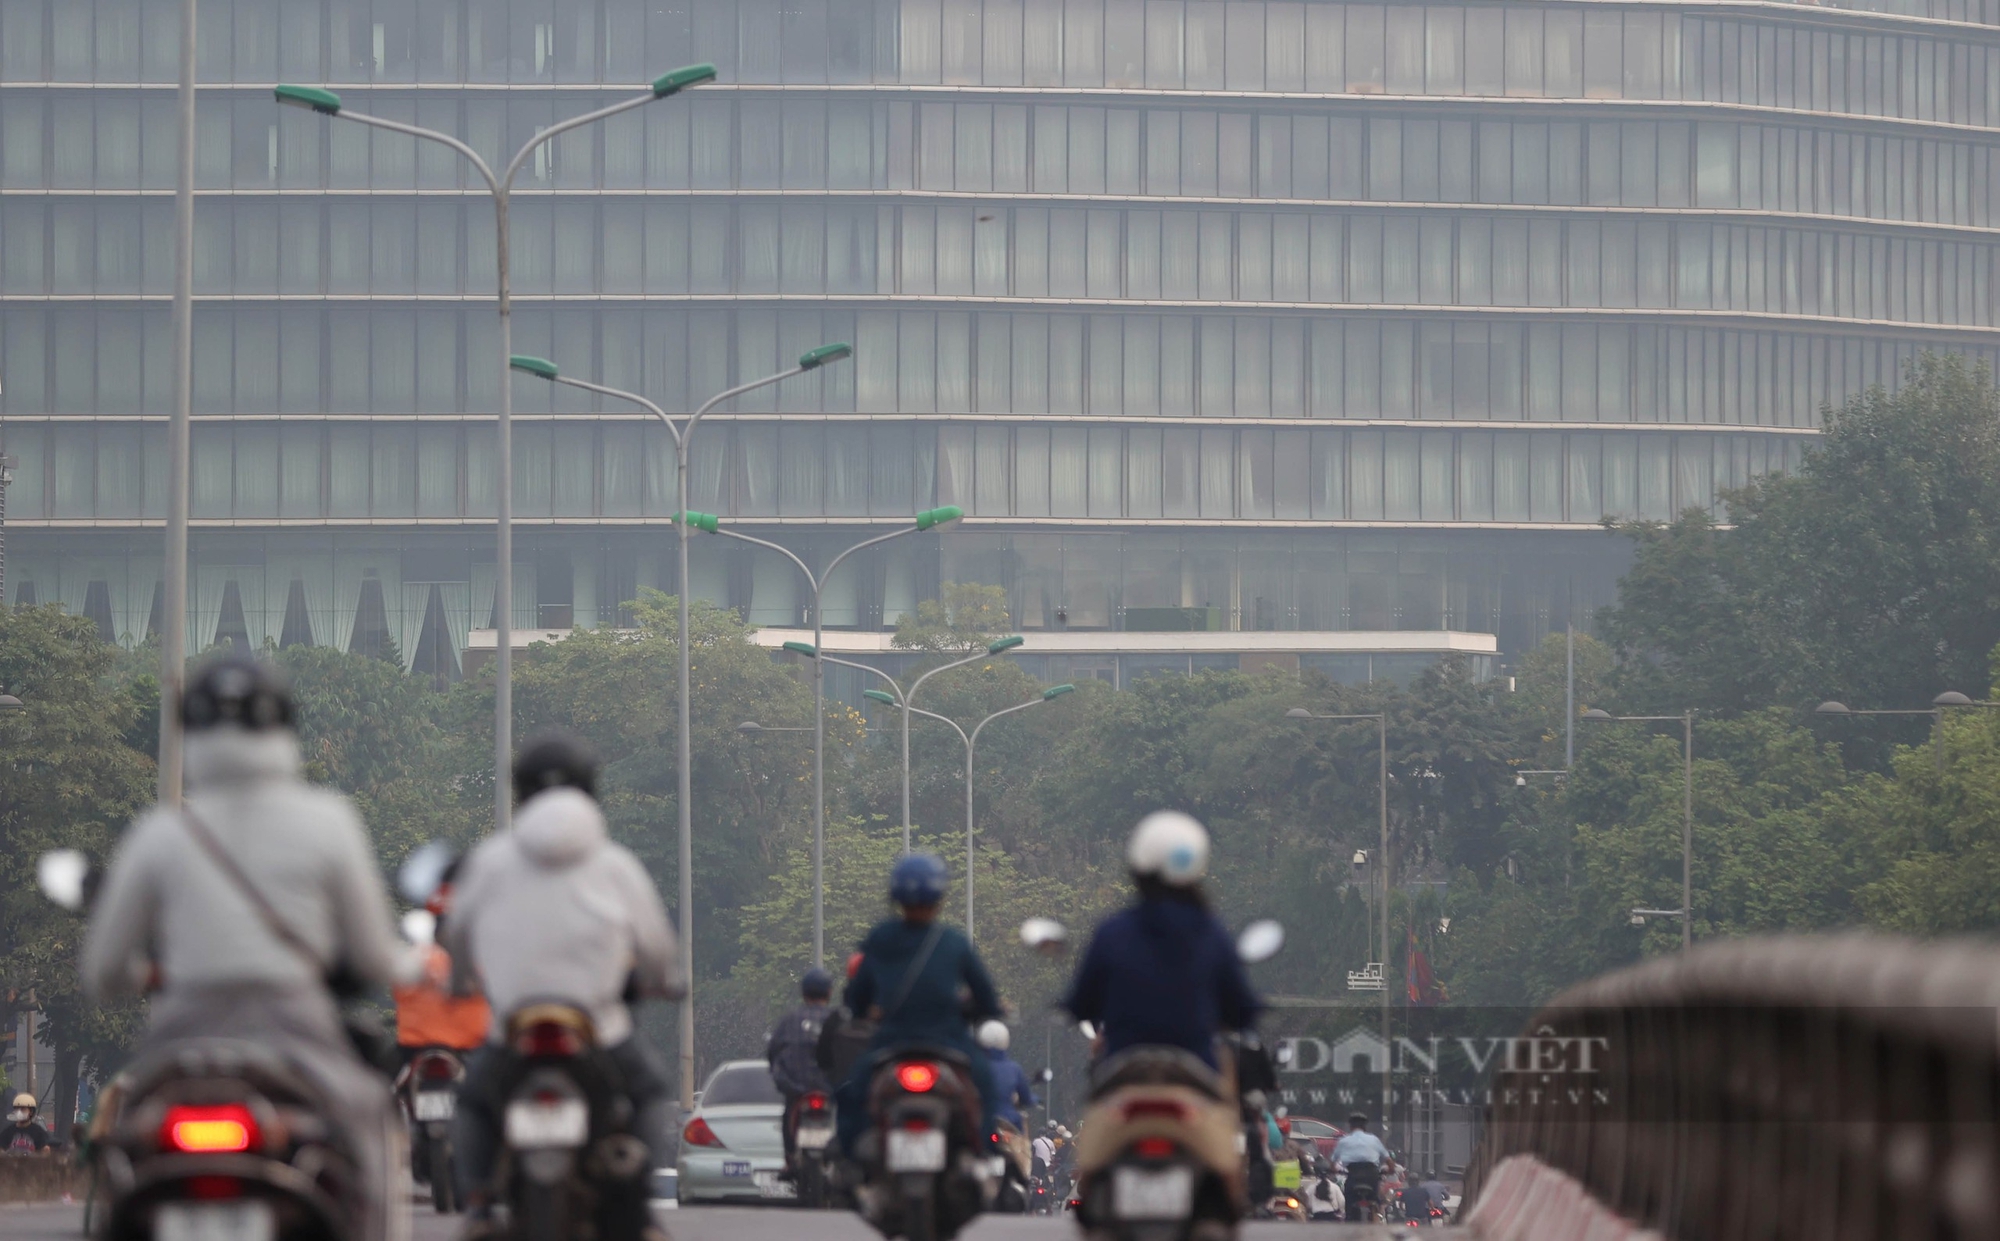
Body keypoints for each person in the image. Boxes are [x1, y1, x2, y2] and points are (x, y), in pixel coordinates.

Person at [80, 655, 416, 1241]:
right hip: (297, 1030)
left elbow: (104, 971)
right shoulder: (328, 821)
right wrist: (414, 963)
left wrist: (150, 974)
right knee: (371, 1120)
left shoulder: (162, 832)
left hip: (180, 1035)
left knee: (120, 1150)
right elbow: (371, 957)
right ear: (283, 725)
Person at [444, 733, 682, 1233]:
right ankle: (640, 1204)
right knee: (654, 1091)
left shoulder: (491, 860)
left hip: (513, 1030)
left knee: (471, 1103)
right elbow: (657, 947)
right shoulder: (614, 864)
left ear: (521, 791)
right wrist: (665, 981)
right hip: (596, 1029)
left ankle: (480, 1204)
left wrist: (461, 983)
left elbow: (457, 932)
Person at [832, 853, 1002, 1158]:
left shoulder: (881, 938)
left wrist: (863, 1012)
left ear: (895, 896)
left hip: (891, 1041)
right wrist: (988, 1010)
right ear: (940, 895)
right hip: (949, 1040)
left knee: (852, 1092)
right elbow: (986, 997)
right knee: (986, 1086)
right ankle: (985, 1155)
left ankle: (849, 1161)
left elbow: (857, 996)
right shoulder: (953, 941)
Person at [1063, 812, 1261, 1068]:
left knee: (1093, 1107)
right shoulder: (1212, 933)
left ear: (1138, 867)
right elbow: (1240, 1009)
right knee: (1229, 1107)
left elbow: (1082, 1002)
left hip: (1124, 1068)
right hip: (1197, 1069)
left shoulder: (1112, 932)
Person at [767, 967, 834, 1171]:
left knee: (788, 1113)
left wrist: (778, 1074)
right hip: (831, 1089)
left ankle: (789, 1158)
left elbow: (773, 1051)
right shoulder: (837, 1019)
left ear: (804, 993)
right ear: (830, 993)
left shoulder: (790, 1020)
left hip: (797, 1089)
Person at [977, 1020, 1037, 1129]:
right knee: (1021, 1138)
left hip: (981, 1120)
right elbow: (1026, 1098)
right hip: (1008, 1121)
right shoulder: (1014, 1068)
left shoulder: (976, 1066)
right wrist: (1034, 1100)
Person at [1334, 1112, 1392, 1222]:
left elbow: (1333, 1163)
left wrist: (1334, 1169)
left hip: (1353, 1178)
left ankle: (1349, 1220)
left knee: (1349, 1205)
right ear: (1365, 1127)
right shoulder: (1374, 1140)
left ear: (1350, 1126)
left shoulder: (1344, 1141)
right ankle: (1377, 1216)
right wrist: (1391, 1170)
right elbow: (1389, 1161)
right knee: (1376, 1201)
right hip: (1372, 1177)